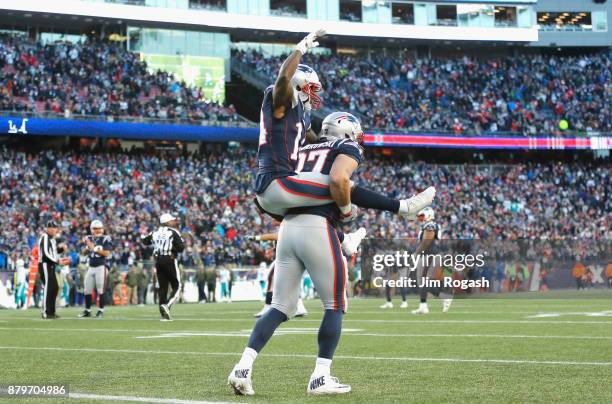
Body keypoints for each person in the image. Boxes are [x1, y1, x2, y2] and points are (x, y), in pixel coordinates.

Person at [228, 112, 434, 395]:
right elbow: (338, 181)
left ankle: (243, 367)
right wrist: (347, 214)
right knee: (335, 304)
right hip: (318, 226)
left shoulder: (300, 149)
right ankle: (321, 376)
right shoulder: (344, 147)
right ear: (346, 130)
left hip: (288, 227)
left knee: (279, 307)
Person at [141, 213, 185, 321]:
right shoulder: (173, 232)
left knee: (163, 288)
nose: (174, 222)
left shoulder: (155, 232)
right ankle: (167, 306)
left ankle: (163, 315)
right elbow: (181, 248)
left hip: (158, 261)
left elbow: (145, 241)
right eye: (172, 220)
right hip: (169, 259)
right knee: (177, 286)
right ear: (167, 222)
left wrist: (143, 235)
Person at [411, 207, 453, 314]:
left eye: (422, 216)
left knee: (423, 281)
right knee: (422, 282)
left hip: (430, 255)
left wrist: (416, 253)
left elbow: (427, 241)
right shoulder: (429, 225)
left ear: (429, 215)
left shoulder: (430, 225)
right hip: (429, 255)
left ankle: (444, 297)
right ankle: (423, 306)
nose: (421, 218)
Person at [79, 220, 113, 318]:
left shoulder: (106, 238)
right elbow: (83, 253)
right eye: (95, 228)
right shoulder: (89, 238)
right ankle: (88, 310)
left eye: (99, 228)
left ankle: (100, 310)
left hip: (101, 266)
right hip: (91, 266)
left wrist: (93, 248)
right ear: (91, 229)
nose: (97, 230)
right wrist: (86, 248)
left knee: (100, 289)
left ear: (102, 229)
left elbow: (107, 253)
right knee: (87, 289)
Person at [37, 221, 71, 319]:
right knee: (48, 287)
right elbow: (46, 254)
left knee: (55, 287)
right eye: (51, 228)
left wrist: (61, 250)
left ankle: (51, 312)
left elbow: (54, 252)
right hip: (44, 264)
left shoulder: (52, 240)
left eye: (55, 228)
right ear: (47, 229)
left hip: (51, 265)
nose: (53, 230)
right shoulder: (45, 237)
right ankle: (45, 312)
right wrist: (58, 261)